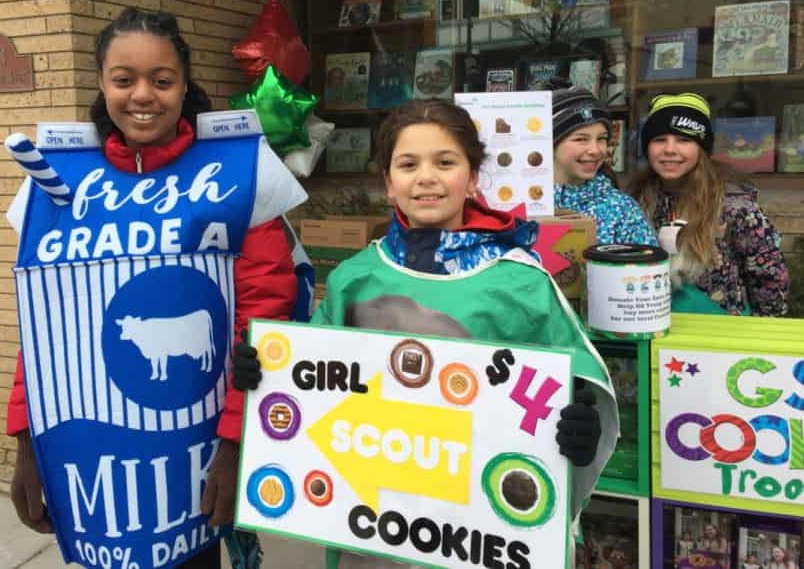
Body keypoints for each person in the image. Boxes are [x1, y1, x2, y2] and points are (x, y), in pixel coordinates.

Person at [235, 100, 620, 569]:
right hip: (372, 520)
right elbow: (312, 382)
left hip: (479, 528)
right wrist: (267, 374)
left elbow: (580, 383)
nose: (427, 177)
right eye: (408, 164)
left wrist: (578, 427)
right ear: (388, 182)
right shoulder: (355, 278)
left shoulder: (522, 283)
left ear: (473, 176)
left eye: (445, 162)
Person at [5, 8, 307, 569]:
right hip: (97, 462)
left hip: (202, 455)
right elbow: (44, 324)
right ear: (101, 83)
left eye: (161, 80)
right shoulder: (57, 182)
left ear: (184, 85)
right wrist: (29, 442)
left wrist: (237, 447)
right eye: (124, 79)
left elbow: (267, 318)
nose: (142, 95)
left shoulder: (238, 172)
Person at [628, 93, 789, 316]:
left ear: (702, 149)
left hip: (721, 334)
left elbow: (769, 278)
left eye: (684, 140)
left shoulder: (734, 206)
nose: (670, 149)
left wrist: (765, 332)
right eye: (659, 140)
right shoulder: (633, 202)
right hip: (653, 327)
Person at [549, 81, 657, 246]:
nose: (596, 150)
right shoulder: (519, 202)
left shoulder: (621, 208)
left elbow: (647, 268)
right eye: (581, 139)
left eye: (602, 139)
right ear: (550, 143)